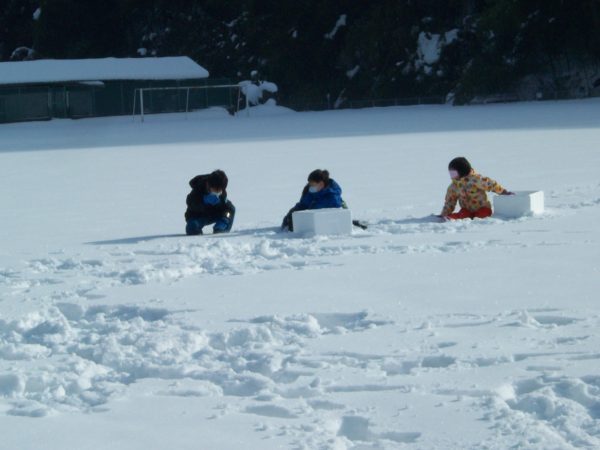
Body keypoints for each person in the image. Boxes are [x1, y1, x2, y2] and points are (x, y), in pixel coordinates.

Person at [440, 157, 513, 220]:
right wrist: (444, 213)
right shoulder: (454, 187)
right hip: (467, 210)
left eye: (453, 173)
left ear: (462, 171)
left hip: (482, 208)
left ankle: (477, 219)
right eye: (450, 173)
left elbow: (491, 185)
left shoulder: (476, 180)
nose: (451, 176)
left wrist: (503, 191)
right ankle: (450, 218)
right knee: (462, 215)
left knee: (482, 215)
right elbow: (450, 202)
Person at [185, 170, 235, 235]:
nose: (217, 192)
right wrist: (203, 201)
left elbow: (228, 208)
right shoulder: (198, 188)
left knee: (231, 210)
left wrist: (225, 218)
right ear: (208, 185)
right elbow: (190, 204)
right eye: (215, 190)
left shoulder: (221, 191)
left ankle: (221, 231)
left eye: (219, 190)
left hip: (214, 214)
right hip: (198, 216)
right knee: (192, 227)